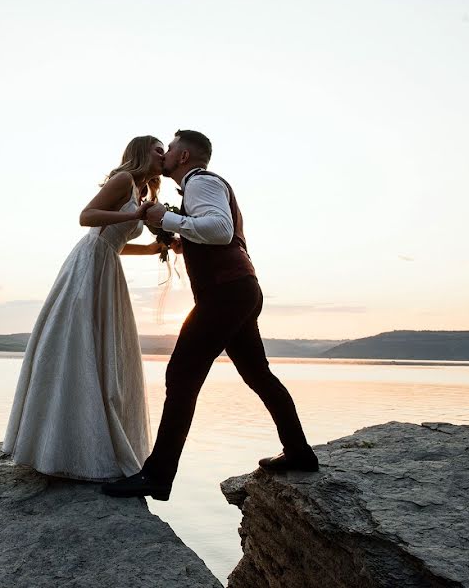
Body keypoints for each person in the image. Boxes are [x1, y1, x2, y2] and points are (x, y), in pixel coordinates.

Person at [103, 130, 318, 502]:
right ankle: (299, 451)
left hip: (226, 293)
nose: (164, 155)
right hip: (240, 290)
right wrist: (179, 240)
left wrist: (166, 220)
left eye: (169, 149)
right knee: (258, 374)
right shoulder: (202, 188)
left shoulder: (200, 182)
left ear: (184, 157)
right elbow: (214, 234)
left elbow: (220, 231)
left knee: (181, 376)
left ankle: (157, 475)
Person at [3, 136, 167, 480]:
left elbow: (115, 241)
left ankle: (91, 440)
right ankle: (58, 445)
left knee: (105, 353)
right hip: (89, 263)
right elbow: (87, 217)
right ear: (140, 152)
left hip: (107, 263)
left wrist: (153, 250)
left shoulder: (141, 192)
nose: (163, 155)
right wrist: (138, 213)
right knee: (77, 346)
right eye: (158, 149)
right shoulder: (123, 180)